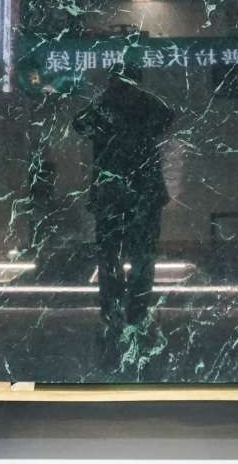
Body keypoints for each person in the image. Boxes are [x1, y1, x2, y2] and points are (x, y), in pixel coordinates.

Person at [71, 61, 174, 364]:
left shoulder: (111, 107)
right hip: (134, 194)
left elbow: (81, 124)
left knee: (118, 257)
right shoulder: (137, 106)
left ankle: (118, 313)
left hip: (118, 195)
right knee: (132, 258)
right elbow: (166, 117)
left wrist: (111, 99)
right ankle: (131, 314)